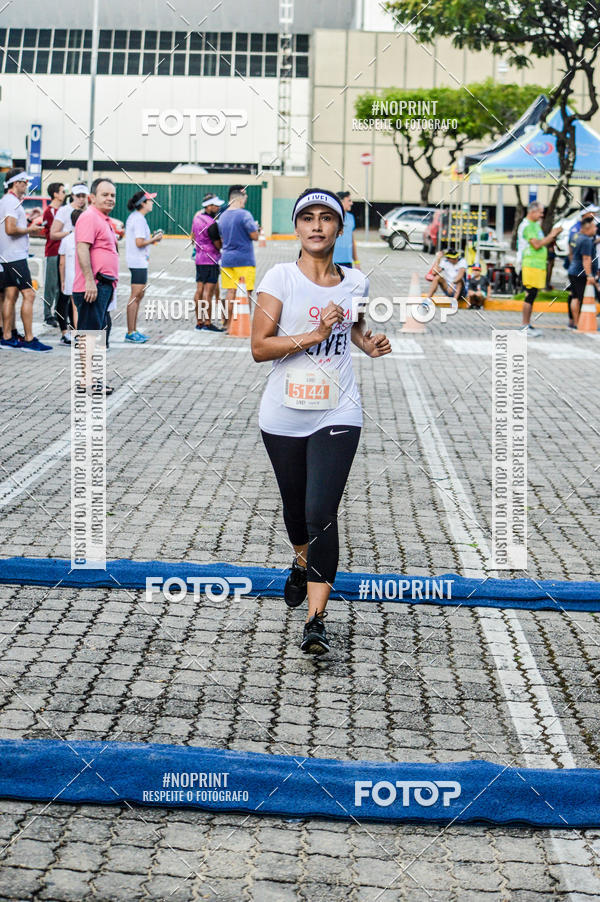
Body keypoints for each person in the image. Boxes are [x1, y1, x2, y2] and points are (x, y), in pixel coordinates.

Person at [251, 188, 392, 655]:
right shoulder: (280, 277)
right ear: (297, 228)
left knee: (320, 514)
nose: (316, 226)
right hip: (284, 414)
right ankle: (299, 561)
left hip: (338, 409)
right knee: (295, 513)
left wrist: (367, 344)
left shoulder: (356, 282)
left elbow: (354, 329)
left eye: (326, 218)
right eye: (307, 218)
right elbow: (259, 347)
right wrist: (315, 333)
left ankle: (316, 620)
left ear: (339, 227)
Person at [72, 178, 119, 393]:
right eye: (105, 194)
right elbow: (83, 249)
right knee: (89, 334)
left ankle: (93, 378)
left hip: (103, 286)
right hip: (94, 285)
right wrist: (90, 281)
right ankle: (86, 381)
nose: (110, 199)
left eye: (112, 195)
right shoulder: (89, 217)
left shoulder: (103, 219)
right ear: (93, 197)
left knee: (96, 333)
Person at [0, 169, 51, 352]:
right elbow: (10, 229)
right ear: (16, 183)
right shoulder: (11, 202)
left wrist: (28, 222)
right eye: (25, 182)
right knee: (29, 295)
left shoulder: (8, 201)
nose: (27, 185)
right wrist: (31, 228)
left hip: (8, 256)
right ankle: (29, 340)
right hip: (15, 257)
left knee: (10, 296)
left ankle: (8, 335)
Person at [518, 201, 562, 337]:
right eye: (540, 212)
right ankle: (524, 326)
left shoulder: (534, 225)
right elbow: (536, 245)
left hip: (536, 265)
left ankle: (527, 324)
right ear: (532, 211)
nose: (542, 215)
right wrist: (552, 234)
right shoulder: (527, 226)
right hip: (530, 264)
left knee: (533, 295)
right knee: (529, 295)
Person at [124, 189, 162, 343]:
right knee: (135, 297)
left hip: (139, 261)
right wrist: (154, 239)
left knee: (138, 296)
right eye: (150, 201)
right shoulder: (138, 219)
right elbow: (139, 242)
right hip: (137, 262)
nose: (152, 203)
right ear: (143, 204)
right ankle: (130, 332)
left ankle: (133, 330)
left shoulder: (136, 217)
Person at [219, 185, 258, 328]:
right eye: (245, 199)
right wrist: (255, 228)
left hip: (227, 259)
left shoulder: (222, 216)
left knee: (230, 292)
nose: (245, 202)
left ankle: (228, 324)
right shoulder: (245, 215)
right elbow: (254, 236)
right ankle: (244, 324)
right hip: (244, 259)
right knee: (246, 292)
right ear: (240, 200)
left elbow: (222, 237)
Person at [191, 193, 224, 331]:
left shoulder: (197, 219)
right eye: (216, 205)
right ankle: (207, 323)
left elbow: (192, 238)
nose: (218, 207)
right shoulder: (212, 224)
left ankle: (199, 322)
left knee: (199, 290)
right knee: (208, 292)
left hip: (199, 259)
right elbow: (218, 245)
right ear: (209, 206)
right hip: (211, 260)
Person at [567, 214, 598, 327]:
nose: (596, 229)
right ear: (588, 228)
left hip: (573, 271)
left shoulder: (577, 236)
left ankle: (576, 322)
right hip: (581, 273)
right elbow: (586, 258)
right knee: (581, 298)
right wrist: (589, 274)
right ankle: (581, 323)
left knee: (575, 297)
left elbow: (571, 251)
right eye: (594, 227)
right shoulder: (586, 241)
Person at [41, 181, 65, 326]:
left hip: (63, 252)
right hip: (53, 251)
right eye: (62, 191)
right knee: (50, 284)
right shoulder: (49, 212)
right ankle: (47, 314)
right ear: (55, 194)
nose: (64, 193)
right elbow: (49, 233)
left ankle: (58, 312)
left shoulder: (63, 210)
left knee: (61, 285)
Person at [57, 209, 83, 344]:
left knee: (75, 306)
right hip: (83, 277)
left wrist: (62, 281)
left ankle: (77, 335)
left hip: (70, 278)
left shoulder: (67, 239)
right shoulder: (86, 237)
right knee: (83, 307)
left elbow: (62, 263)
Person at [333, 191, 359, 269]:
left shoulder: (351, 217)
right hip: (331, 262)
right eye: (349, 200)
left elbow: (352, 241)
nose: (351, 203)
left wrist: (356, 261)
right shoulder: (331, 217)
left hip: (347, 262)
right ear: (341, 202)